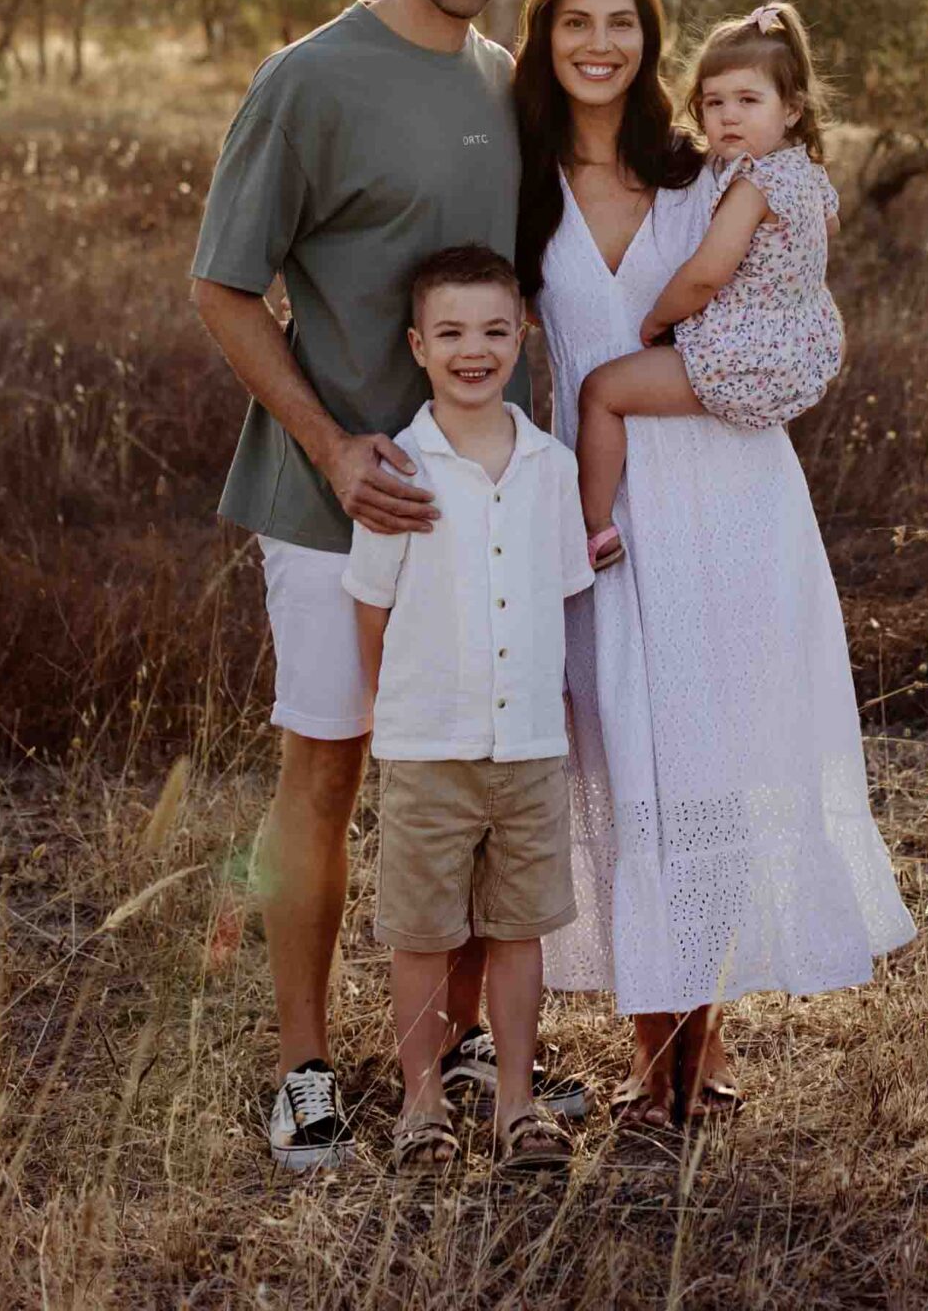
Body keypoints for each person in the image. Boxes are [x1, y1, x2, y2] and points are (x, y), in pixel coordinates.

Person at [190, 0, 580, 1172]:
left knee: (467, 763)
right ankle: (302, 1069)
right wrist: (332, 446)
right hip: (329, 506)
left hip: (471, 514)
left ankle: (462, 1040)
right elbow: (221, 288)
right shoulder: (309, 80)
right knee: (327, 769)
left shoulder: (505, 84)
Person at [515, 0, 915, 1131]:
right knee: (624, 754)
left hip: (730, 495)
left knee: (710, 759)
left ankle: (704, 1052)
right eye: (574, 22)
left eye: (621, 22)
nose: (597, 43)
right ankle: (655, 1057)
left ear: (649, 41)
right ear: (545, 41)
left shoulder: (706, 169)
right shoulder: (519, 182)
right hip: (603, 510)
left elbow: (782, 298)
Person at [344, 245, 592, 1176]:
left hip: (527, 744)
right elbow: (371, 604)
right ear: (417, 344)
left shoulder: (551, 466)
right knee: (422, 929)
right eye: (451, 332)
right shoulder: (399, 472)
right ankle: (422, 1104)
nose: (474, 350)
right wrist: (387, 713)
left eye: (494, 330)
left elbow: (563, 593)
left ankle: (518, 1106)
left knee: (517, 927)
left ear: (523, 335)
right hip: (428, 744)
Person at [575, 1, 844, 571]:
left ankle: (593, 529)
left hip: (739, 359)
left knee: (601, 392)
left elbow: (704, 275)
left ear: (792, 108)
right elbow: (827, 228)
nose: (727, 117)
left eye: (749, 101)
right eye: (714, 102)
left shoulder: (752, 184)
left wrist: (657, 321)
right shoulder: (808, 172)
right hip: (798, 348)